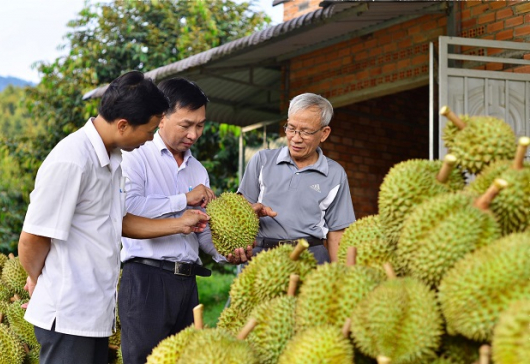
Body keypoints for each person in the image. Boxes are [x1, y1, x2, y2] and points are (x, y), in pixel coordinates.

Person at [18, 71, 210, 364]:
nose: (149, 140)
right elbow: (32, 238)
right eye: (148, 132)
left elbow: (120, 222)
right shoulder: (73, 159)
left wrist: (181, 223)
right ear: (123, 125)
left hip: (95, 312)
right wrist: (38, 279)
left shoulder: (112, 159)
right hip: (68, 311)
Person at [118, 77, 274, 364]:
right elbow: (128, 209)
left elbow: (202, 230)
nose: (194, 133)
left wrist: (225, 254)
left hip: (187, 282)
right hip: (145, 279)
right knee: (142, 359)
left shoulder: (198, 171)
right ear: (161, 117)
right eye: (186, 125)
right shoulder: (136, 156)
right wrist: (184, 198)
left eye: (200, 125)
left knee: (188, 358)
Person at [238, 92, 356, 264]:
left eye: (305, 132)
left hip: (311, 257)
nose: (295, 138)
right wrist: (250, 211)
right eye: (291, 128)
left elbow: (337, 233)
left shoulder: (335, 174)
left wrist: (342, 278)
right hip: (263, 256)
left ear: (324, 133)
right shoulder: (262, 160)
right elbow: (239, 209)